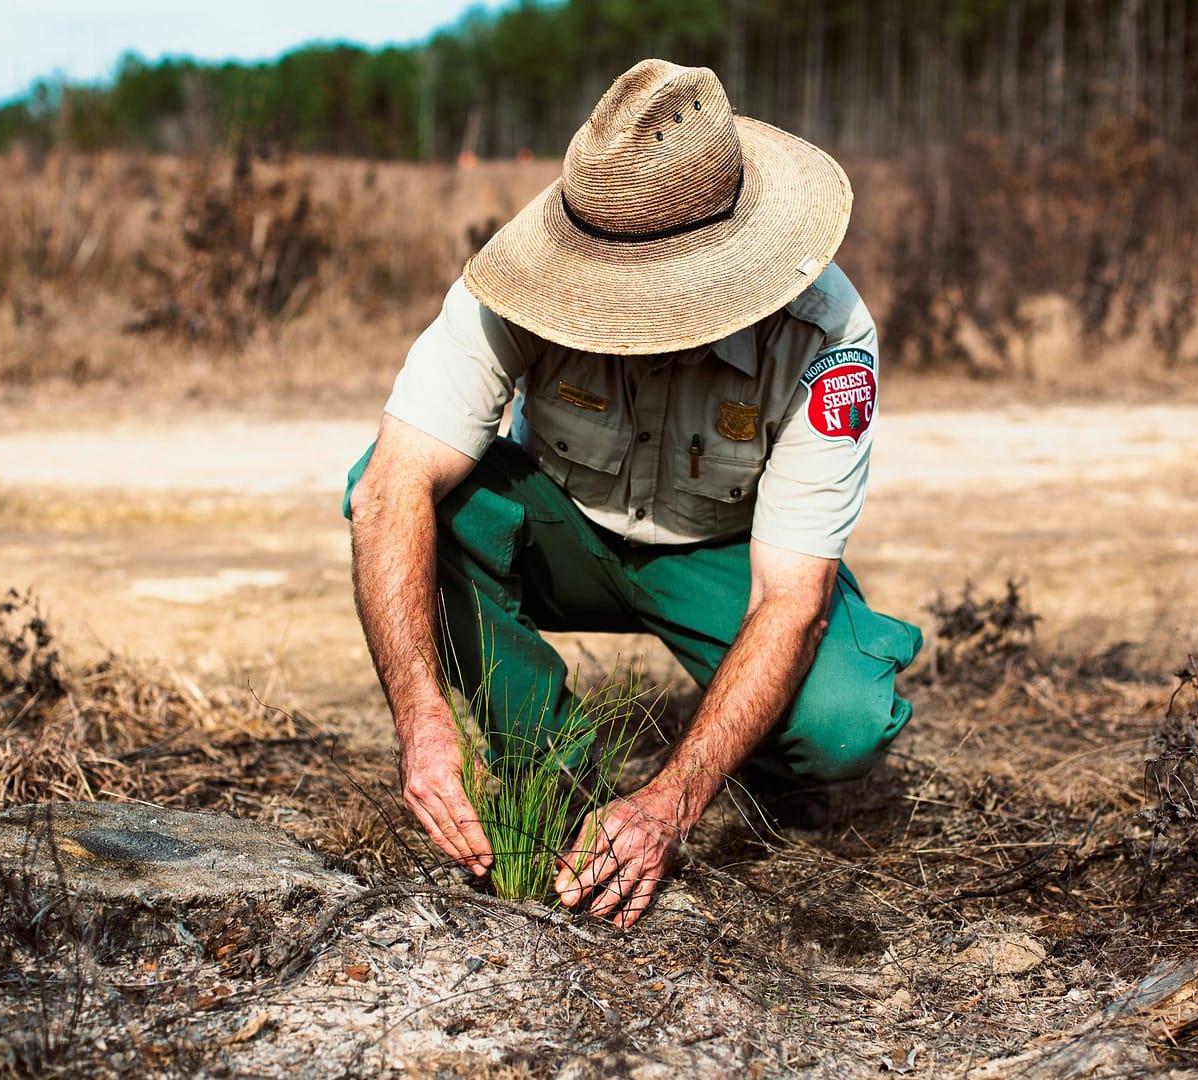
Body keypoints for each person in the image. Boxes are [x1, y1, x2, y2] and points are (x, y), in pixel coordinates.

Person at [345, 59, 921, 928]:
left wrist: (672, 802)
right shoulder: (511, 283)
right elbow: (393, 492)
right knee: (390, 492)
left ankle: (754, 760)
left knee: (843, 723)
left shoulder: (828, 334)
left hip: (721, 555)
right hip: (564, 531)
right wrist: (422, 723)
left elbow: (791, 595)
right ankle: (553, 762)